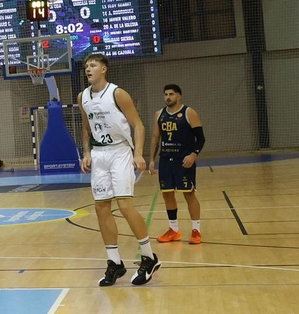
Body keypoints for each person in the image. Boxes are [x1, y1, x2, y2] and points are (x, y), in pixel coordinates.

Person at [79, 53, 160, 286]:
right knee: (101, 207)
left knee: (125, 205)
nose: (88, 69)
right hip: (99, 154)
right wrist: (86, 153)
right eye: (86, 66)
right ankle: (115, 263)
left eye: (93, 65)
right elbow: (86, 129)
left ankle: (149, 256)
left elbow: (138, 125)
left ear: (104, 69)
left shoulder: (117, 93)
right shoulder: (82, 96)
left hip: (120, 151)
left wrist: (138, 154)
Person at [147, 84, 205, 244]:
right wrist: (151, 159)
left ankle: (196, 230)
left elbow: (201, 138)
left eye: (171, 94)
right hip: (166, 160)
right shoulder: (159, 114)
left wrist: (194, 154)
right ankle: (173, 230)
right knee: (167, 194)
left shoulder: (189, 112)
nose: (168, 97)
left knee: (189, 193)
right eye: (165, 94)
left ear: (178, 96)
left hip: (183, 160)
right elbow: (155, 138)